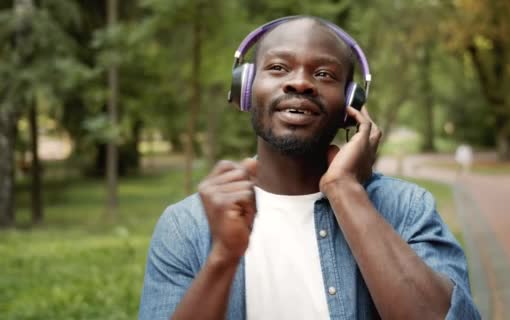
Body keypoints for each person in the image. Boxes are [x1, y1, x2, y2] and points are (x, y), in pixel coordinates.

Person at [138, 16, 480, 320]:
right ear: (245, 88)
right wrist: (222, 258)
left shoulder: (407, 208)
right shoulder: (186, 225)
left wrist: (345, 190)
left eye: (323, 74)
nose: (300, 83)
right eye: (278, 68)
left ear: (350, 105)